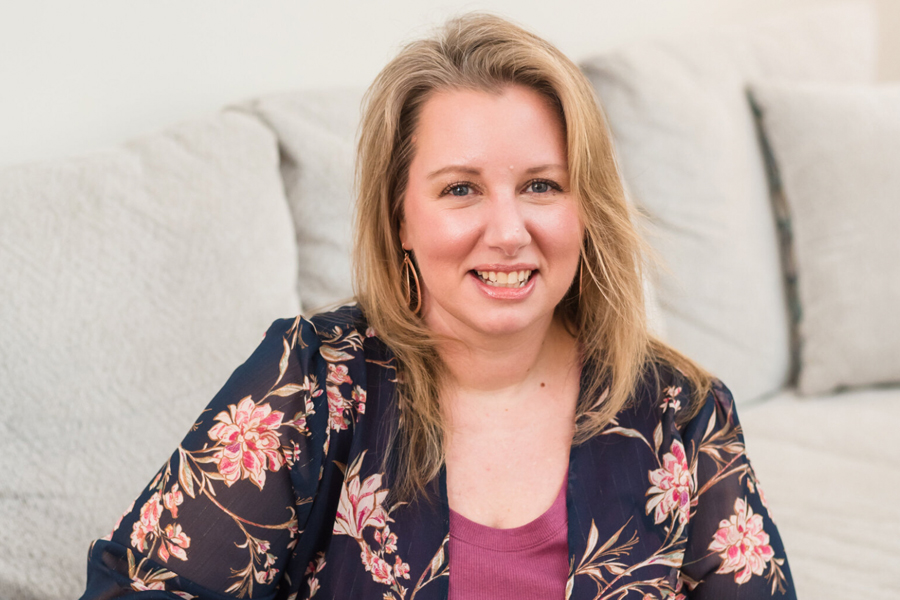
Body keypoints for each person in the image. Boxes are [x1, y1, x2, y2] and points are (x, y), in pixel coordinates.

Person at [80, 12, 796, 600]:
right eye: (461, 189)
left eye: (542, 186)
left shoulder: (681, 412)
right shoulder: (313, 383)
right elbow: (142, 589)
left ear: (587, 208)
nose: (509, 231)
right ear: (400, 220)